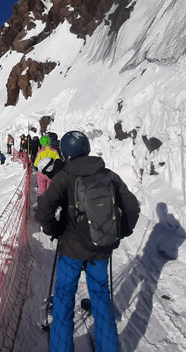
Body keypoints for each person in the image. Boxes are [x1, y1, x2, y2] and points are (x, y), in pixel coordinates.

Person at [35, 131, 140, 352]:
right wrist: (120, 232)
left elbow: (44, 210)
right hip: (101, 248)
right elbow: (132, 207)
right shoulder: (109, 175)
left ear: (65, 153)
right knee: (101, 296)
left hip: (71, 248)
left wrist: (55, 229)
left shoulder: (64, 177)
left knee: (64, 297)